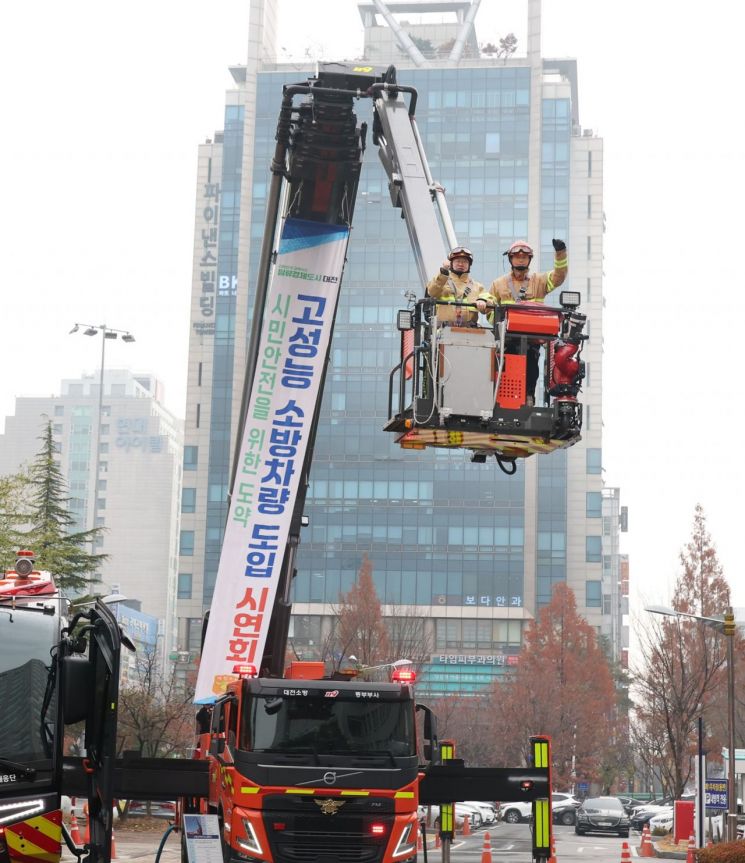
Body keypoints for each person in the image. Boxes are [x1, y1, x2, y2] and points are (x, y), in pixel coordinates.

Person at [475, 239, 568, 405]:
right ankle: (499, 400)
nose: (520, 259)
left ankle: (528, 397)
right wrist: (483, 304)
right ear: (510, 259)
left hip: (531, 339)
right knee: (504, 367)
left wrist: (560, 253)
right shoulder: (499, 284)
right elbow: (488, 302)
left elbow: (558, 277)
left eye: (524, 257)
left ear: (529, 259)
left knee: (531, 367)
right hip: (506, 339)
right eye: (517, 256)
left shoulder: (539, 281)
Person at [426, 246, 484, 324]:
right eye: (457, 261)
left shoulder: (477, 286)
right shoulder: (441, 281)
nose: (461, 264)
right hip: (443, 331)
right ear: (451, 263)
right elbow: (431, 292)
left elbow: (489, 301)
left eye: (465, 262)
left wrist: (483, 301)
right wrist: (443, 272)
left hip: (470, 332)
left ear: (469, 265)